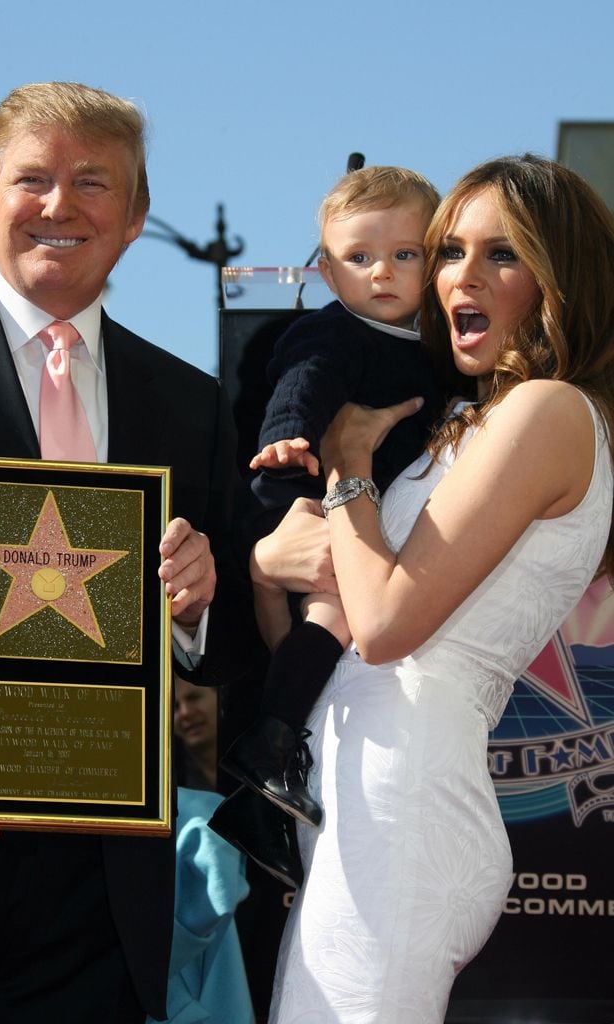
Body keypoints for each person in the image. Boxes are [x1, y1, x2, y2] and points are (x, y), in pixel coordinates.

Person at [0, 82, 255, 1023]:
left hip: (104, 908)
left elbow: (240, 645)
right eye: (32, 178)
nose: (59, 205)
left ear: (133, 217)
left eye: (93, 182)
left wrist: (199, 609)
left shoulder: (188, 401)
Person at [249, 154, 614, 1023]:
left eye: (503, 255)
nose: (460, 277)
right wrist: (269, 568)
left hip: (404, 803)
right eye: (449, 251)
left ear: (560, 279)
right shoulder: (467, 423)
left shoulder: (549, 412)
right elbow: (331, 637)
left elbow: (384, 628)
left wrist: (346, 465)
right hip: (351, 795)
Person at [217, 167, 445, 831]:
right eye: (359, 257)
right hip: (295, 494)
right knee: (338, 609)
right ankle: (269, 740)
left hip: (349, 505)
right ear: (325, 271)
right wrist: (288, 434)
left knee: (337, 620)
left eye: (405, 255)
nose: (382, 273)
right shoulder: (334, 331)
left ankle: (267, 788)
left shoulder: (435, 349)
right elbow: (303, 383)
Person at [174, 675, 219, 791]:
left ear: (219, 695)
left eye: (193, 698)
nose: (185, 713)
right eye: (174, 707)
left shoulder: (263, 761)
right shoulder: (171, 784)